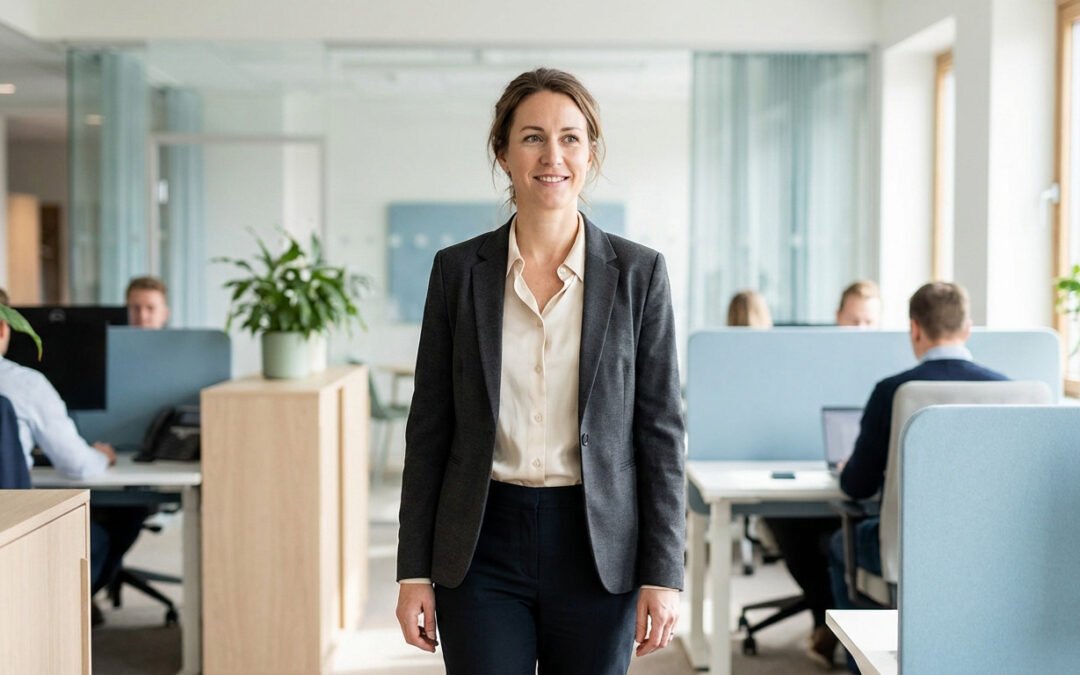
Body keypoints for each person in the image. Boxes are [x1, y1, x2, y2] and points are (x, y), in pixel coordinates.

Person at [395, 68, 685, 675]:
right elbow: (429, 430)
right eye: (532, 137)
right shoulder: (457, 272)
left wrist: (664, 572)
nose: (553, 155)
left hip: (597, 544)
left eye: (570, 138)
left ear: (590, 153)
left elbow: (660, 432)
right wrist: (413, 569)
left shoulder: (639, 275)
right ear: (503, 154)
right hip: (481, 542)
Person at [828, 282, 1007, 623]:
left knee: (840, 543)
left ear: (915, 329)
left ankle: (863, 651)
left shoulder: (892, 391)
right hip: (987, 553)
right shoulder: (1007, 390)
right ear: (967, 329)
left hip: (908, 550)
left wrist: (848, 468)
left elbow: (857, 487)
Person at [0, 287, 117, 566]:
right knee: (97, 540)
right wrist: (103, 456)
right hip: (9, 532)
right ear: (4, 328)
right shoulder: (26, 385)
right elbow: (77, 465)